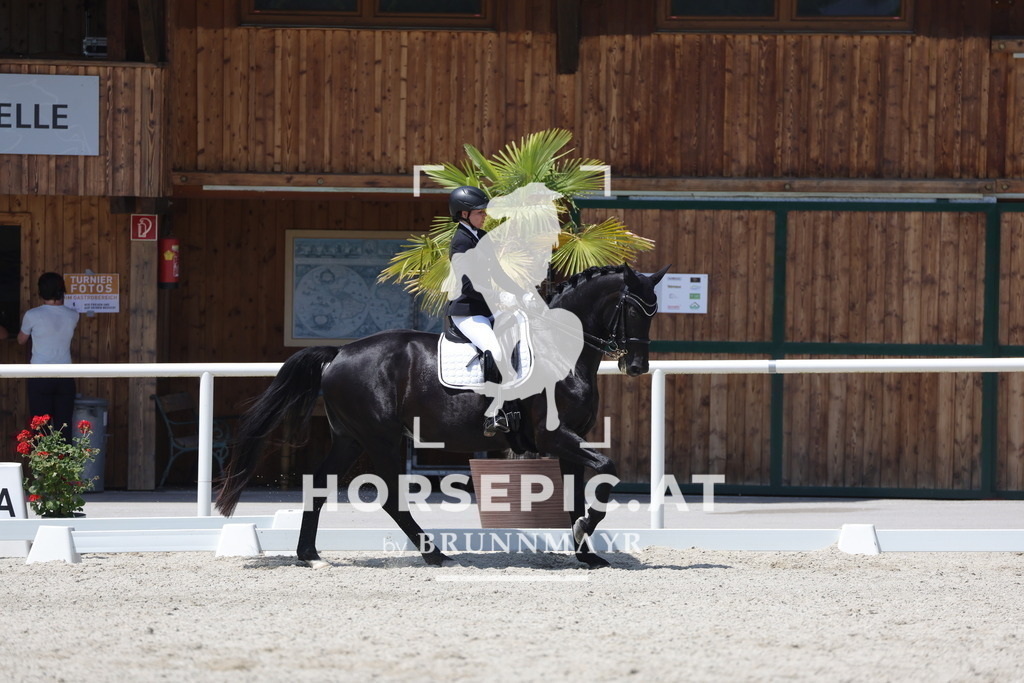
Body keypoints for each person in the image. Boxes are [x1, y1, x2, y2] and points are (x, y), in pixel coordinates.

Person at [18, 272, 80, 441]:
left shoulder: (32, 315)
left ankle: (41, 459)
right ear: (62, 290)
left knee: (40, 427)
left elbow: (21, 340)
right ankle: (64, 458)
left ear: (41, 292)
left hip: (39, 375)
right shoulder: (73, 315)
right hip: (65, 375)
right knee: (64, 426)